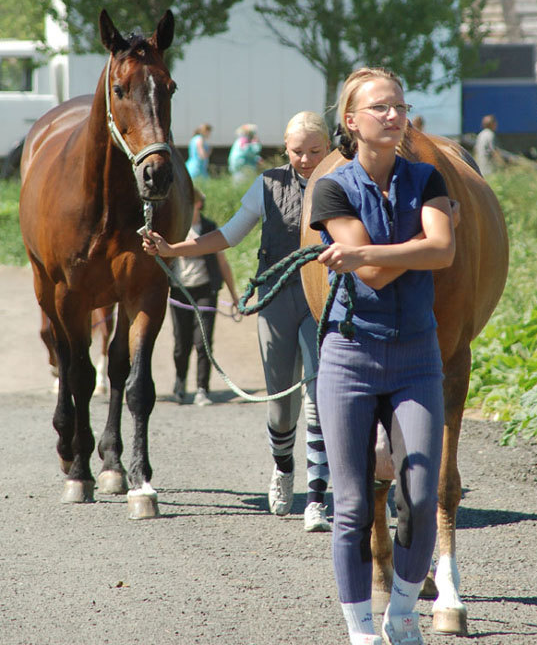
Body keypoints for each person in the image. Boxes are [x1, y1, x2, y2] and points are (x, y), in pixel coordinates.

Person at [309, 67, 456, 645]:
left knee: (419, 494)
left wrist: (380, 249)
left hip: (418, 356)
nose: (394, 115)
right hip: (348, 357)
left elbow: (442, 252)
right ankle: (361, 630)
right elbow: (373, 271)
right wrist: (413, 247)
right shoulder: (331, 188)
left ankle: (402, 611)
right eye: (380, 108)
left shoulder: (428, 177)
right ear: (351, 122)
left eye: (399, 106)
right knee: (350, 508)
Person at [142, 111, 333, 533]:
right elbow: (227, 235)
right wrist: (173, 249)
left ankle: (318, 498)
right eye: (298, 151)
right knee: (282, 410)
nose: (305, 159)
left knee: (321, 400)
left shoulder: (343, 180)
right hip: (277, 299)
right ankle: (283, 470)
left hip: (323, 301)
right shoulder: (268, 185)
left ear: (330, 148)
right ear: (285, 149)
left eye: (315, 151)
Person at [170, 188, 239, 407]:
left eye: (191, 202)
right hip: (180, 291)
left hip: (205, 291)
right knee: (181, 344)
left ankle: (202, 389)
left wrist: (234, 295)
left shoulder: (209, 228)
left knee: (203, 342)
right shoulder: (174, 229)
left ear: (199, 204)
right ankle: (180, 383)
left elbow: (222, 264)